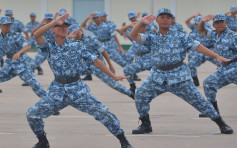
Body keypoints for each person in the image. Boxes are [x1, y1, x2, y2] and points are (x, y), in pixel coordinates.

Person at [26, 13, 133, 148]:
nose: (64, 28)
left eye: (66, 27)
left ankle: (124, 141)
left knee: (103, 112)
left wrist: (113, 75)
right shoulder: (49, 47)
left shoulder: (77, 45)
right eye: (60, 26)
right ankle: (43, 141)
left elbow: (95, 60)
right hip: (57, 91)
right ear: (52, 29)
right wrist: (54, 21)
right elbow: (36, 35)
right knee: (32, 114)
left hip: (77, 90)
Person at [129, 8, 233, 135]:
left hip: (179, 77)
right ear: (156, 20)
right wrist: (141, 23)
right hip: (157, 77)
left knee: (199, 101)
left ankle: (221, 123)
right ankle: (145, 124)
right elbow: (133, 35)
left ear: (171, 20)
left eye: (168, 17)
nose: (165, 20)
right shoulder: (152, 38)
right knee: (140, 95)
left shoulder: (180, 35)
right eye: (162, 17)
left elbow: (197, 46)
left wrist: (215, 56)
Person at [68, 25, 134, 99]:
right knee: (67, 76)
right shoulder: (70, 42)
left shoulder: (91, 39)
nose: (76, 34)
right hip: (83, 66)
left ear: (80, 30)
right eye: (74, 33)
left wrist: (110, 65)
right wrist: (68, 37)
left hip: (98, 66)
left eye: (77, 31)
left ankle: (131, 94)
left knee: (112, 83)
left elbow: (103, 52)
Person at [197, 13, 237, 117]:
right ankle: (212, 111)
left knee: (215, 79)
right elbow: (201, 30)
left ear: (226, 23)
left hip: (234, 67)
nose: (219, 24)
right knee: (208, 83)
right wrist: (202, 21)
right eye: (217, 23)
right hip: (224, 68)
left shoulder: (233, 36)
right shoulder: (214, 34)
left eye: (221, 22)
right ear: (214, 25)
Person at [0, 16, 46, 98]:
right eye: (5, 25)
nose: (8, 27)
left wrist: (18, 52)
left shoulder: (16, 35)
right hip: (9, 63)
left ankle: (49, 102)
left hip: (21, 63)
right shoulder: (0, 38)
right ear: (0, 26)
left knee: (33, 83)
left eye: (9, 25)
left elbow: (28, 46)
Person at [81, 12, 127, 80]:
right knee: (92, 59)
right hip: (98, 46)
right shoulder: (93, 27)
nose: (96, 19)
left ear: (100, 18)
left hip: (109, 45)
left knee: (119, 60)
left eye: (97, 17)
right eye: (94, 18)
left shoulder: (107, 26)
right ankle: (89, 75)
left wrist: (119, 46)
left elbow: (114, 36)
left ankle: (131, 72)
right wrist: (88, 18)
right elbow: (82, 25)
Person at [188, 16, 221, 86]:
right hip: (200, 52)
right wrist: (191, 55)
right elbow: (190, 45)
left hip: (210, 50)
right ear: (196, 24)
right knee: (190, 65)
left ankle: (221, 78)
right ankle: (195, 81)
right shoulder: (192, 33)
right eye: (198, 23)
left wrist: (216, 51)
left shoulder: (208, 30)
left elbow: (216, 41)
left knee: (223, 64)